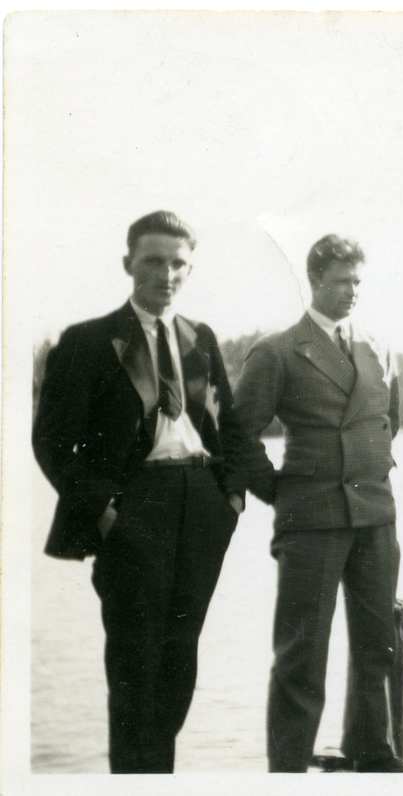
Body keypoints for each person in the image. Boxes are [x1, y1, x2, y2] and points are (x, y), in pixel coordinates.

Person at [33, 210, 247, 773]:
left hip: (201, 506)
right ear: (128, 262)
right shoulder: (89, 342)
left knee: (179, 663)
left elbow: (229, 427)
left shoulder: (201, 339)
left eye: (178, 263)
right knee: (135, 665)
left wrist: (231, 501)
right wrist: (105, 514)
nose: (166, 274)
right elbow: (51, 443)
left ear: (190, 268)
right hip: (134, 508)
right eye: (153, 261)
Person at [234, 234, 403, 773]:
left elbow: (388, 422)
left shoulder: (377, 348)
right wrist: (279, 490)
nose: (352, 291)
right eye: (341, 281)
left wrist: (367, 468)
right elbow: (236, 435)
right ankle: (287, 769)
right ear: (313, 281)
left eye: (358, 281)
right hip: (312, 518)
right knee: (302, 653)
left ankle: (371, 752)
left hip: (375, 514)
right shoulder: (279, 350)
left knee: (378, 643)